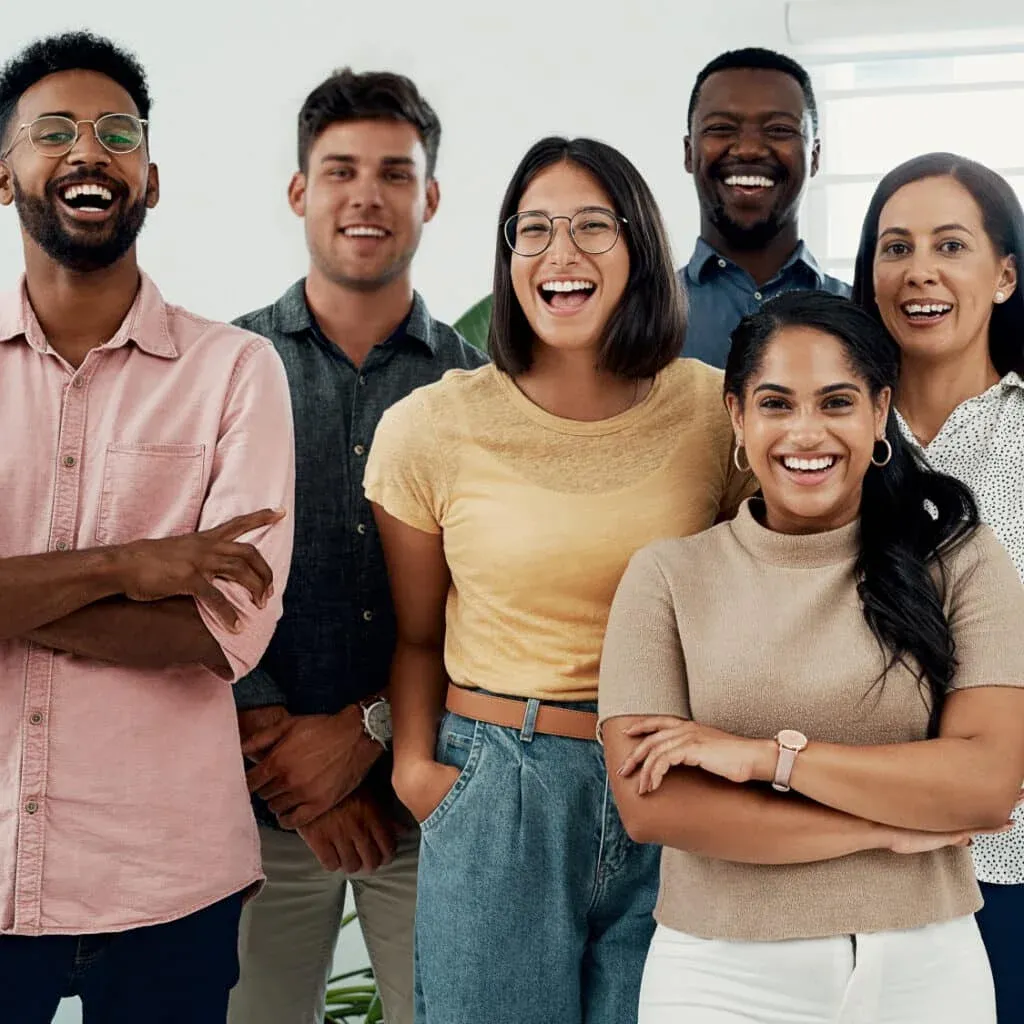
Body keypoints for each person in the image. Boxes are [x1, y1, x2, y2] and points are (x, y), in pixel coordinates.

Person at [364, 135, 752, 1024]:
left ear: (640, 248)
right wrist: (424, 777)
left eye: (589, 227)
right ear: (507, 259)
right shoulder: (432, 428)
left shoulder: (713, 410)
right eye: (531, 229)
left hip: (670, 777)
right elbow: (418, 634)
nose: (560, 253)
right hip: (499, 784)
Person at [599, 290, 1024, 1023]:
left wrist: (767, 759)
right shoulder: (667, 577)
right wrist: (885, 831)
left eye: (836, 402)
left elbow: (986, 783)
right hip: (717, 973)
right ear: (736, 414)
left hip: (925, 966)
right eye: (775, 403)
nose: (805, 432)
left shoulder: (960, 558)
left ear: (878, 410)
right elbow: (654, 804)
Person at [0, 31, 294, 1024]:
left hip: (167, 880)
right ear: (5, 176)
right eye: (55, 132)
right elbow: (164, 595)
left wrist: (16, 594)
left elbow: (220, 631)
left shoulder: (236, 371)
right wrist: (135, 563)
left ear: (151, 179)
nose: (90, 150)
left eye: (117, 133)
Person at [226, 68, 487, 1024]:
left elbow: (493, 598)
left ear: (430, 197)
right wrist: (293, 771)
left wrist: (366, 733)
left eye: (393, 172)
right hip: (255, 811)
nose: (366, 194)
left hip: (428, 806)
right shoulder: (227, 370)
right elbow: (195, 582)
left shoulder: (479, 391)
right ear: (301, 192)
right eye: (339, 170)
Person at [851, 152, 1024, 1023]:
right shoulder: (822, 437)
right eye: (895, 247)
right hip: (843, 856)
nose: (918, 268)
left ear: (1003, 275)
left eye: (949, 245)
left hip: (1008, 862)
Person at [679, 47, 848, 368]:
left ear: (814, 156)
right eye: (721, 128)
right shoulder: (637, 316)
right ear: (689, 153)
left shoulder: (866, 315)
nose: (749, 149)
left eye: (779, 130)